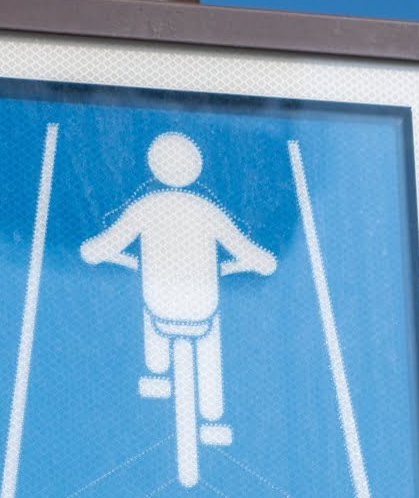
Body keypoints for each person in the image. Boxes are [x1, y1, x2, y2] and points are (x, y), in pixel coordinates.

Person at [79, 131, 277, 447]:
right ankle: (212, 416)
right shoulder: (209, 211)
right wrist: (260, 262)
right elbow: (247, 251)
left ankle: (157, 370)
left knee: (151, 304)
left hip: (158, 302)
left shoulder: (145, 207)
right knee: (210, 334)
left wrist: (97, 253)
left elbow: (103, 246)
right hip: (203, 305)